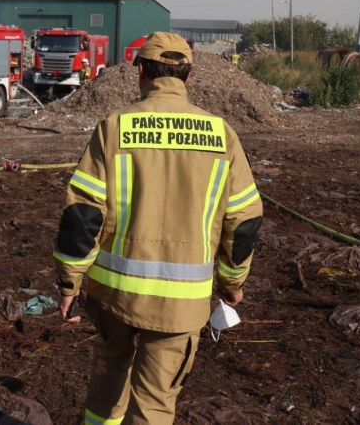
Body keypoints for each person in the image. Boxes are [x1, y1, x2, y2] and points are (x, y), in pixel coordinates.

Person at [53, 32, 263, 425]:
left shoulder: (114, 128)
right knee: (154, 406)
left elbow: (83, 214)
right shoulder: (222, 135)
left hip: (115, 296)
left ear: (140, 73)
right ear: (187, 76)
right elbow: (244, 221)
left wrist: (69, 283)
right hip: (181, 306)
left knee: (107, 381)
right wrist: (232, 283)